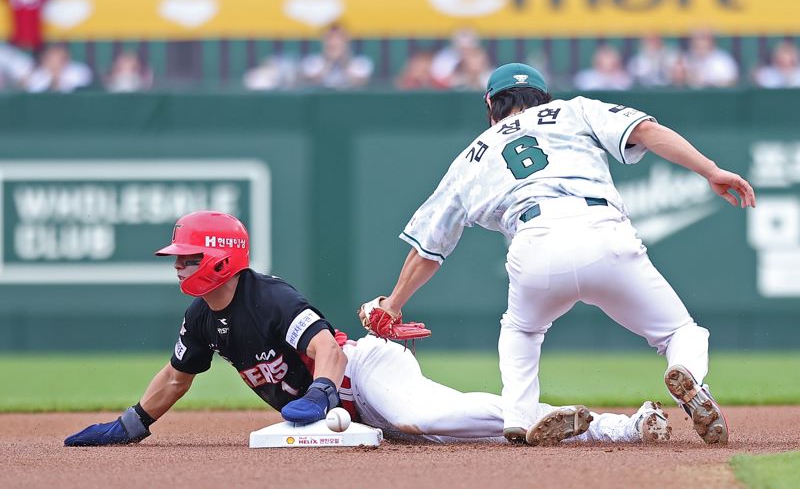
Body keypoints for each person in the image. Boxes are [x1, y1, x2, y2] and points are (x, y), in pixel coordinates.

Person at [359, 62, 756, 446]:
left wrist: (392, 305)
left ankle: (518, 416)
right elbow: (648, 132)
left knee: (522, 331)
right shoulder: (573, 110)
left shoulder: (471, 156)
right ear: (544, 97)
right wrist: (710, 170)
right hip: (602, 231)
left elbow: (428, 247)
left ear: (489, 104)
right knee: (678, 332)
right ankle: (684, 371)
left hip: (534, 242)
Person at [64, 211, 670, 447]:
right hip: (347, 405)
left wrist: (324, 392)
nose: (178, 265)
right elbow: (176, 377)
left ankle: (607, 423)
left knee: (427, 419)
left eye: (187, 257)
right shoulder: (202, 318)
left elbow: (325, 347)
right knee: (453, 434)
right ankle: (624, 427)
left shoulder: (268, 296)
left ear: (222, 256)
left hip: (363, 369)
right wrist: (132, 424)